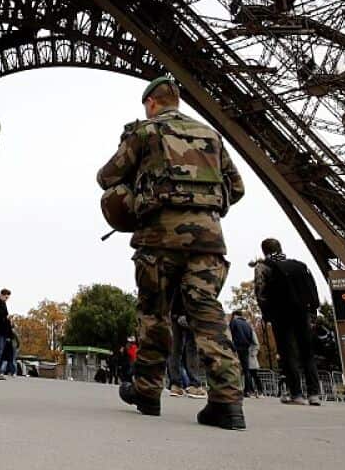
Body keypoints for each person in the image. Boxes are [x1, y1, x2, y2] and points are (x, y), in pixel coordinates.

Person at [99, 75, 247, 430]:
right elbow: (237, 188)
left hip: (158, 237)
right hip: (208, 240)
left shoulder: (146, 132)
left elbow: (107, 176)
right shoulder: (211, 135)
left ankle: (148, 392)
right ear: (176, 99)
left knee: (154, 314)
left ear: (151, 103)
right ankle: (228, 402)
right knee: (208, 314)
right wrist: (204, 205)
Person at [253, 238, 322, 405]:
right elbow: (312, 288)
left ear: (264, 250)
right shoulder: (299, 265)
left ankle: (296, 394)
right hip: (302, 312)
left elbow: (260, 292)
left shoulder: (263, 267)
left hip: (281, 313)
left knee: (288, 352)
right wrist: (312, 311)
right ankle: (314, 394)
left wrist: (266, 314)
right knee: (307, 352)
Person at [228, 311, 259, 398]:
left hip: (236, 348)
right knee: (246, 370)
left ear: (234, 315)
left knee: (234, 369)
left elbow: (230, 334)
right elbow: (250, 336)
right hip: (245, 348)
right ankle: (248, 390)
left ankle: (235, 389)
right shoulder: (247, 324)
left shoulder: (234, 322)